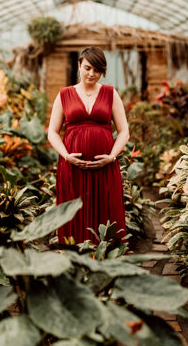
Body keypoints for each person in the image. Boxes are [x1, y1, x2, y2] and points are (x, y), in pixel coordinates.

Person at [47, 46, 129, 245]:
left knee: (105, 206)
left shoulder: (110, 93)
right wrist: (67, 156)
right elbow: (52, 132)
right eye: (88, 68)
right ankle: (74, 254)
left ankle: (107, 254)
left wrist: (111, 157)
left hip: (105, 166)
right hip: (72, 167)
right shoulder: (64, 95)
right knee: (75, 208)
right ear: (79, 66)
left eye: (97, 70)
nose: (92, 74)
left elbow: (124, 131)